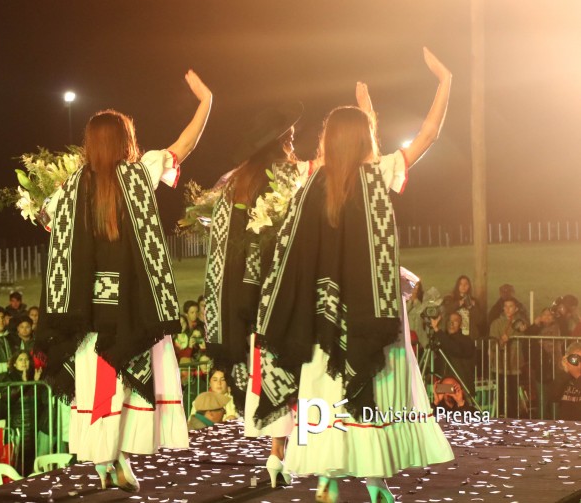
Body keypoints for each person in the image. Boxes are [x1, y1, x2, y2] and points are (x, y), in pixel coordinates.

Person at [254, 49, 454, 503]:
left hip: (323, 318)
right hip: (373, 313)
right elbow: (429, 133)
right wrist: (445, 81)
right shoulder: (379, 174)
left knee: (324, 391)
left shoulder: (312, 183)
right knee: (374, 391)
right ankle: (375, 482)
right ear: (365, 139)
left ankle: (326, 478)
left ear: (328, 140)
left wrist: (364, 114)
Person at [36, 70, 211, 492]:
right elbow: (183, 145)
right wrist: (206, 102)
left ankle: (103, 462)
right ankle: (120, 461)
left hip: (87, 310)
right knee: (129, 382)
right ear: (125, 141)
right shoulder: (140, 173)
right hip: (131, 305)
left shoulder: (71, 189)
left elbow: (47, 224)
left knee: (99, 387)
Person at [202, 108, 313, 486]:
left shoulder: (235, 183)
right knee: (293, 369)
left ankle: (275, 454)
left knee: (266, 367)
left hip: (246, 296)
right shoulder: (285, 176)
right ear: (279, 144)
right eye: (290, 138)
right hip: (284, 290)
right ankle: (290, 452)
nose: (294, 144)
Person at [489, 297, 529, 417]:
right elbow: (492, 343)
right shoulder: (496, 323)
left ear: (516, 308)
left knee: (513, 392)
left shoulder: (521, 323)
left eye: (510, 306)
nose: (507, 309)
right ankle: (501, 416)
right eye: (505, 306)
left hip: (515, 364)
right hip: (500, 364)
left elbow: (526, 337)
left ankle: (514, 416)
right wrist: (501, 341)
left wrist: (523, 330)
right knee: (501, 392)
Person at [549, 342, 581, 420]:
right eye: (575, 359)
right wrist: (565, 370)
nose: (579, 363)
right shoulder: (564, 376)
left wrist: (576, 375)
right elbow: (553, 397)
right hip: (566, 424)